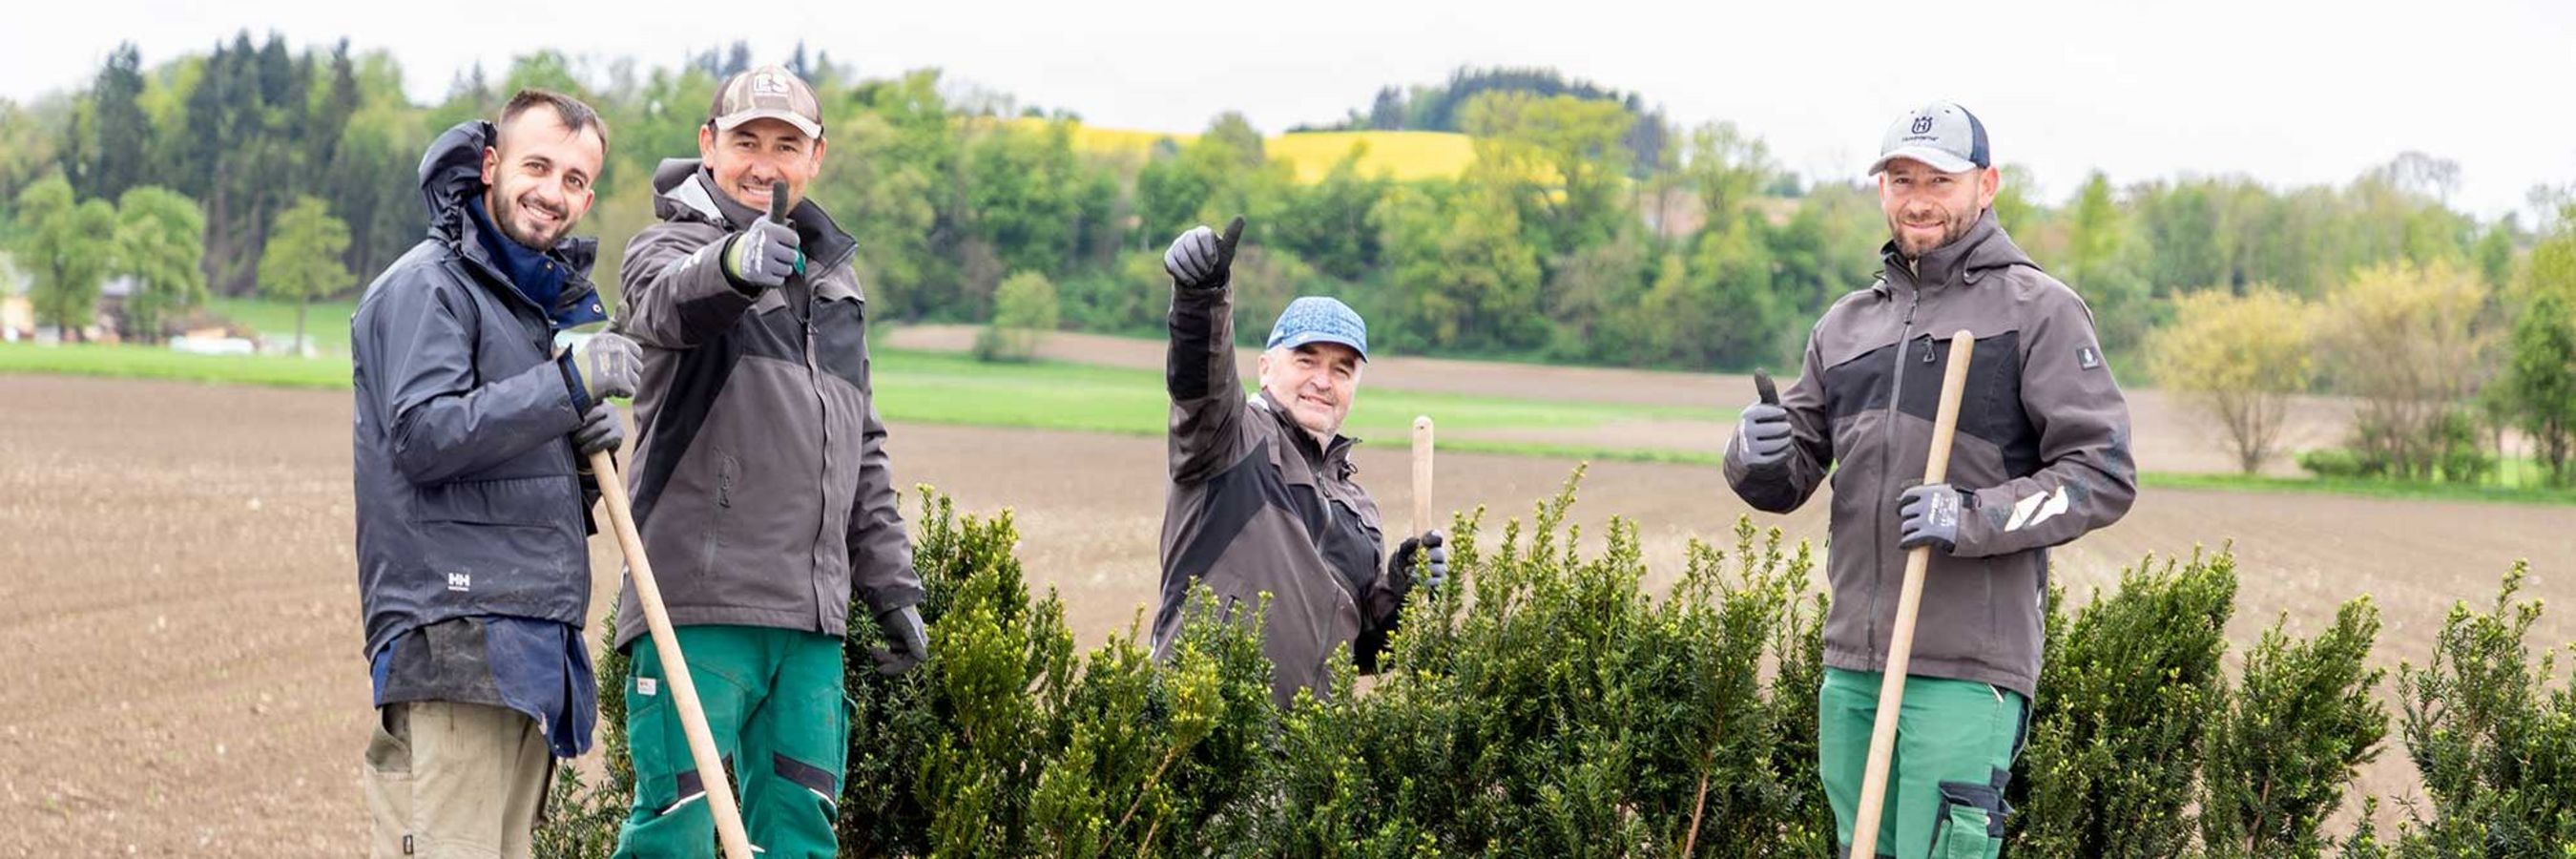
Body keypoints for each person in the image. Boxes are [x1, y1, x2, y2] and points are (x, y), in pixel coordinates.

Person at [1722, 101, 2136, 859]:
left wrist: (1970, 515)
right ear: (1881, 189)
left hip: (1964, 669)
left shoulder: (2038, 310)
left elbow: (2100, 474)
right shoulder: (1847, 326)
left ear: (1986, 185)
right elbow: (1788, 477)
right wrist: (1753, 451)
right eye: (1900, 177)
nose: (1918, 196)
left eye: (1939, 179)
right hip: (1853, 664)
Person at [607, 63, 926, 858]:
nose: (764, 162)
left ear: (816, 158)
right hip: (698, 610)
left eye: (787, 144)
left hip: (809, 620)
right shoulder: (671, 247)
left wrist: (889, 585)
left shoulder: (836, 284)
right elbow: (660, 308)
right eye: (746, 140)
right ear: (708, 146)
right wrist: (735, 268)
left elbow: (863, 449)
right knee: (672, 836)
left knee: (800, 838)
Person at [351, 89, 630, 859]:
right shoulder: (429, 285)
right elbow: (424, 436)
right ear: (490, 165)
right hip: (456, 636)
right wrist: (567, 389)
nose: (553, 192)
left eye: (575, 179)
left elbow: (500, 472)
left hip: (522, 646)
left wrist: (574, 455)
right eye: (537, 166)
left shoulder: (526, 309)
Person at [1152, 217, 1448, 706]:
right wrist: (1201, 294)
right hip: (1200, 733)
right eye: (1306, 360)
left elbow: (1365, 652)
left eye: (1342, 369)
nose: (1323, 380)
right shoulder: (1227, 438)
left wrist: (1403, 587)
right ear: (1266, 368)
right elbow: (1199, 376)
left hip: (1304, 757)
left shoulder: (1358, 508)